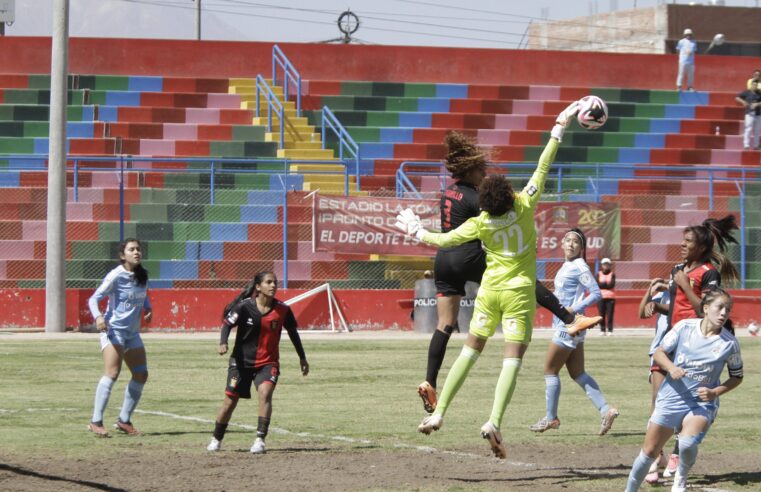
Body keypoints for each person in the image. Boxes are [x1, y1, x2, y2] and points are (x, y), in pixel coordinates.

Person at [396, 100, 582, 458]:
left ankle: (440, 413)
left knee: (470, 350)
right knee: (512, 357)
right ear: (509, 194)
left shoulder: (480, 223)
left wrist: (417, 231)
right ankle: (494, 420)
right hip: (518, 294)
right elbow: (543, 165)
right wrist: (559, 127)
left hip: (489, 292)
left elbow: (445, 240)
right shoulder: (525, 205)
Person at [416, 132, 601, 415]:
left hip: (444, 258)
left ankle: (430, 379)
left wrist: (417, 232)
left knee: (446, 324)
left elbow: (446, 235)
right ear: (471, 169)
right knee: (520, 273)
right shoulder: (476, 197)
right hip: (469, 254)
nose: (484, 174)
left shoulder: (448, 193)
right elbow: (498, 209)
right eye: (481, 170)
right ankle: (568, 317)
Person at [625, 288, 743, 492]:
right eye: (720, 307)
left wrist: (715, 392)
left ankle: (681, 476)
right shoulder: (684, 327)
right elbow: (659, 353)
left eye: (728, 309)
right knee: (649, 452)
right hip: (671, 398)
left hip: (701, 404)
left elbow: (737, 376)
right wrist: (671, 368)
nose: (724, 313)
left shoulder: (729, 344)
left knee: (687, 443)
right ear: (706, 308)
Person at [648, 215, 739, 476]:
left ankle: (677, 453)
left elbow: (704, 310)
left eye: (688, 241)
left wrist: (685, 285)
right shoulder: (678, 269)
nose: (682, 244)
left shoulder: (709, 272)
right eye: (683, 240)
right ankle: (656, 456)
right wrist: (658, 305)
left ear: (700, 246)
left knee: (688, 403)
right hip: (671, 340)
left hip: (694, 345)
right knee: (657, 401)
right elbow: (677, 307)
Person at [206, 271, 309, 454]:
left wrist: (302, 357)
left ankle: (260, 439)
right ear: (258, 287)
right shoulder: (244, 307)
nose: (273, 286)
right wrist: (223, 342)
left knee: (265, 392)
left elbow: (293, 333)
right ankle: (216, 438)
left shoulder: (283, 310)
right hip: (241, 363)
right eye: (268, 282)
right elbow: (227, 324)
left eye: (275, 282)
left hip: (268, 363)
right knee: (230, 402)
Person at [529, 229, 619, 436]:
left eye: (576, 242)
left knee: (550, 371)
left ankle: (551, 418)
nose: (570, 244)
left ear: (581, 248)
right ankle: (606, 410)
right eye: (568, 240)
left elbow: (596, 293)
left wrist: (573, 309)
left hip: (568, 326)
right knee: (577, 373)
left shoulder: (579, 266)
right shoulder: (567, 265)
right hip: (571, 326)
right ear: (562, 243)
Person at [87, 238, 153, 437]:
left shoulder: (142, 275)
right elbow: (94, 298)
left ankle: (124, 420)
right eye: (131, 249)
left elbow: (143, 294)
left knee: (141, 374)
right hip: (114, 331)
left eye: (138, 249)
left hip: (132, 334)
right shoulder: (116, 275)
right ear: (123, 255)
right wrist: (98, 316)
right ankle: (95, 421)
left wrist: (148, 308)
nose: (136, 252)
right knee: (112, 373)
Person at [638, 277, 672, 484]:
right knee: (657, 401)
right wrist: (650, 290)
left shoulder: (681, 293)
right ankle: (654, 456)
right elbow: (642, 313)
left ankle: (669, 456)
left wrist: (668, 289)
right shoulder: (661, 294)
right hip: (659, 351)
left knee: (677, 406)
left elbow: (677, 308)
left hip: (681, 352)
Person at [735, 79, 761, 150]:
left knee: (757, 130)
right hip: (749, 114)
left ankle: (756, 146)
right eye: (754, 85)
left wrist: (757, 104)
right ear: (751, 85)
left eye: (756, 85)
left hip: (758, 114)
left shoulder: (759, 93)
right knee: (748, 129)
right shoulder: (746, 92)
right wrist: (743, 102)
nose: (755, 86)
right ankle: (746, 145)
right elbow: (737, 97)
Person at [596, 258, 616, 336]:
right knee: (601, 314)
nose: (606, 266)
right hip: (601, 297)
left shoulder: (612, 274)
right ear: (602, 265)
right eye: (604, 264)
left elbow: (612, 285)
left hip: (611, 297)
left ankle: (610, 330)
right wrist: (606, 285)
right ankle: (602, 329)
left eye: (607, 264)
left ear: (610, 265)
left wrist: (603, 284)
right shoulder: (599, 274)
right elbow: (597, 284)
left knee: (610, 314)